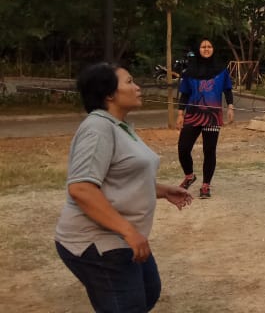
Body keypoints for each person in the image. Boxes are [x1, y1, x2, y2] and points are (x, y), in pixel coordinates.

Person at [55, 63, 193, 312]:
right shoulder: (97, 128)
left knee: (149, 291)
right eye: (129, 82)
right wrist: (128, 231)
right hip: (96, 240)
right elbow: (82, 188)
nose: (137, 87)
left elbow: (121, 178)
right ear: (109, 94)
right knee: (127, 306)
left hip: (120, 236)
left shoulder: (120, 126)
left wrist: (163, 191)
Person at [176, 39, 235, 199]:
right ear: (198, 49)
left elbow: (227, 90)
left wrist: (230, 107)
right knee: (183, 148)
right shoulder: (189, 72)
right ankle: (189, 176)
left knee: (209, 151)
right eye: (203, 46)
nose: (206, 49)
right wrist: (180, 114)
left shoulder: (221, 71)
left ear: (213, 49)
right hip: (192, 115)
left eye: (209, 46)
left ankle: (205, 185)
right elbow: (185, 94)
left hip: (212, 116)